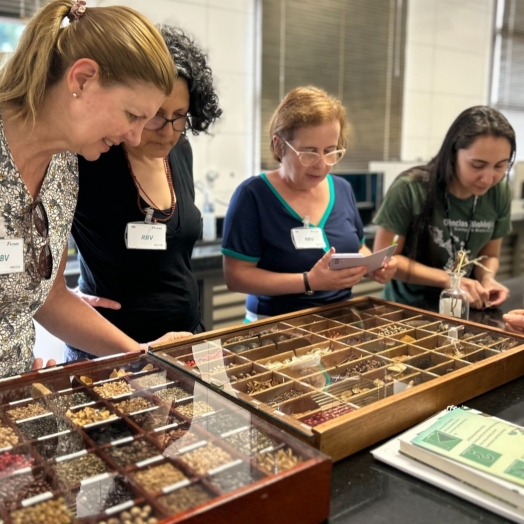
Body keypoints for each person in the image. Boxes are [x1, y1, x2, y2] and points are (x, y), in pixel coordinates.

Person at [0, 0, 183, 378]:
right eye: (132, 116)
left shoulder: (65, 165)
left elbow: (49, 299)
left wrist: (140, 353)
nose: (134, 136)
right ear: (82, 79)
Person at [64, 26, 222, 362]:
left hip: (184, 343)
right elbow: (40, 264)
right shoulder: (89, 156)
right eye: (154, 117)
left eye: (180, 118)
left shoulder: (181, 151)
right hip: (112, 354)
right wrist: (56, 297)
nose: (168, 133)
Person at [221, 86, 397, 321]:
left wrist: (372, 266)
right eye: (310, 152)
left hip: (339, 322)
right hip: (275, 327)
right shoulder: (253, 195)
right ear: (278, 146)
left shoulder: (342, 189)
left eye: (331, 151)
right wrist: (308, 281)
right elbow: (236, 277)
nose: (321, 164)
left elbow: (357, 249)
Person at [373, 106, 515, 311]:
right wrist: (449, 280)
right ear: (453, 154)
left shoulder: (499, 192)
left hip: (463, 309)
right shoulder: (410, 188)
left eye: (500, 166)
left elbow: (490, 256)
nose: (488, 178)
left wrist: (487, 279)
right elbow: (384, 258)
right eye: (477, 165)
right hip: (406, 309)